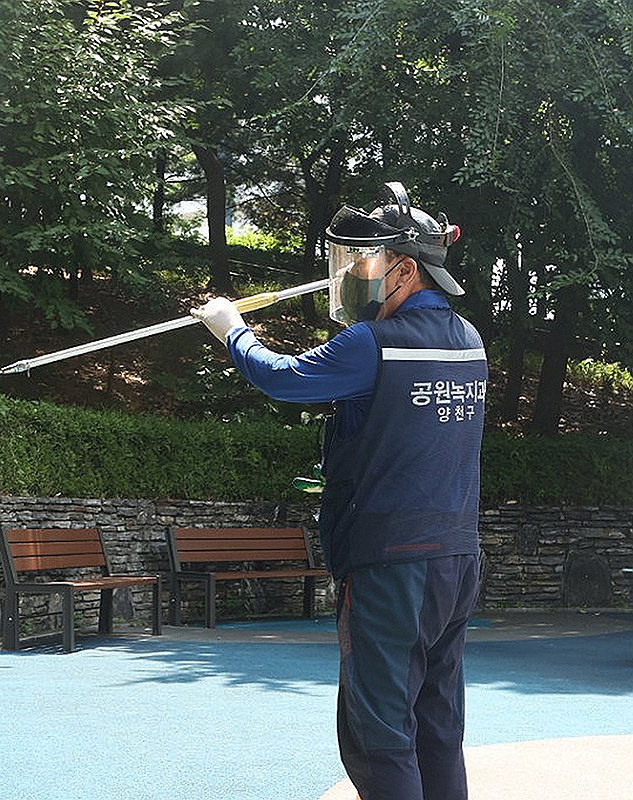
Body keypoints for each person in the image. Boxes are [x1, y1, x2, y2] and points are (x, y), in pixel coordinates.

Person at [191, 181, 487, 800]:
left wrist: (231, 331)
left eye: (364, 261)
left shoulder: (375, 343)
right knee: (437, 727)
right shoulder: (468, 340)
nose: (353, 275)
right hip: (456, 559)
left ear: (405, 269)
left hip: (389, 564)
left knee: (379, 733)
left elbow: (285, 378)